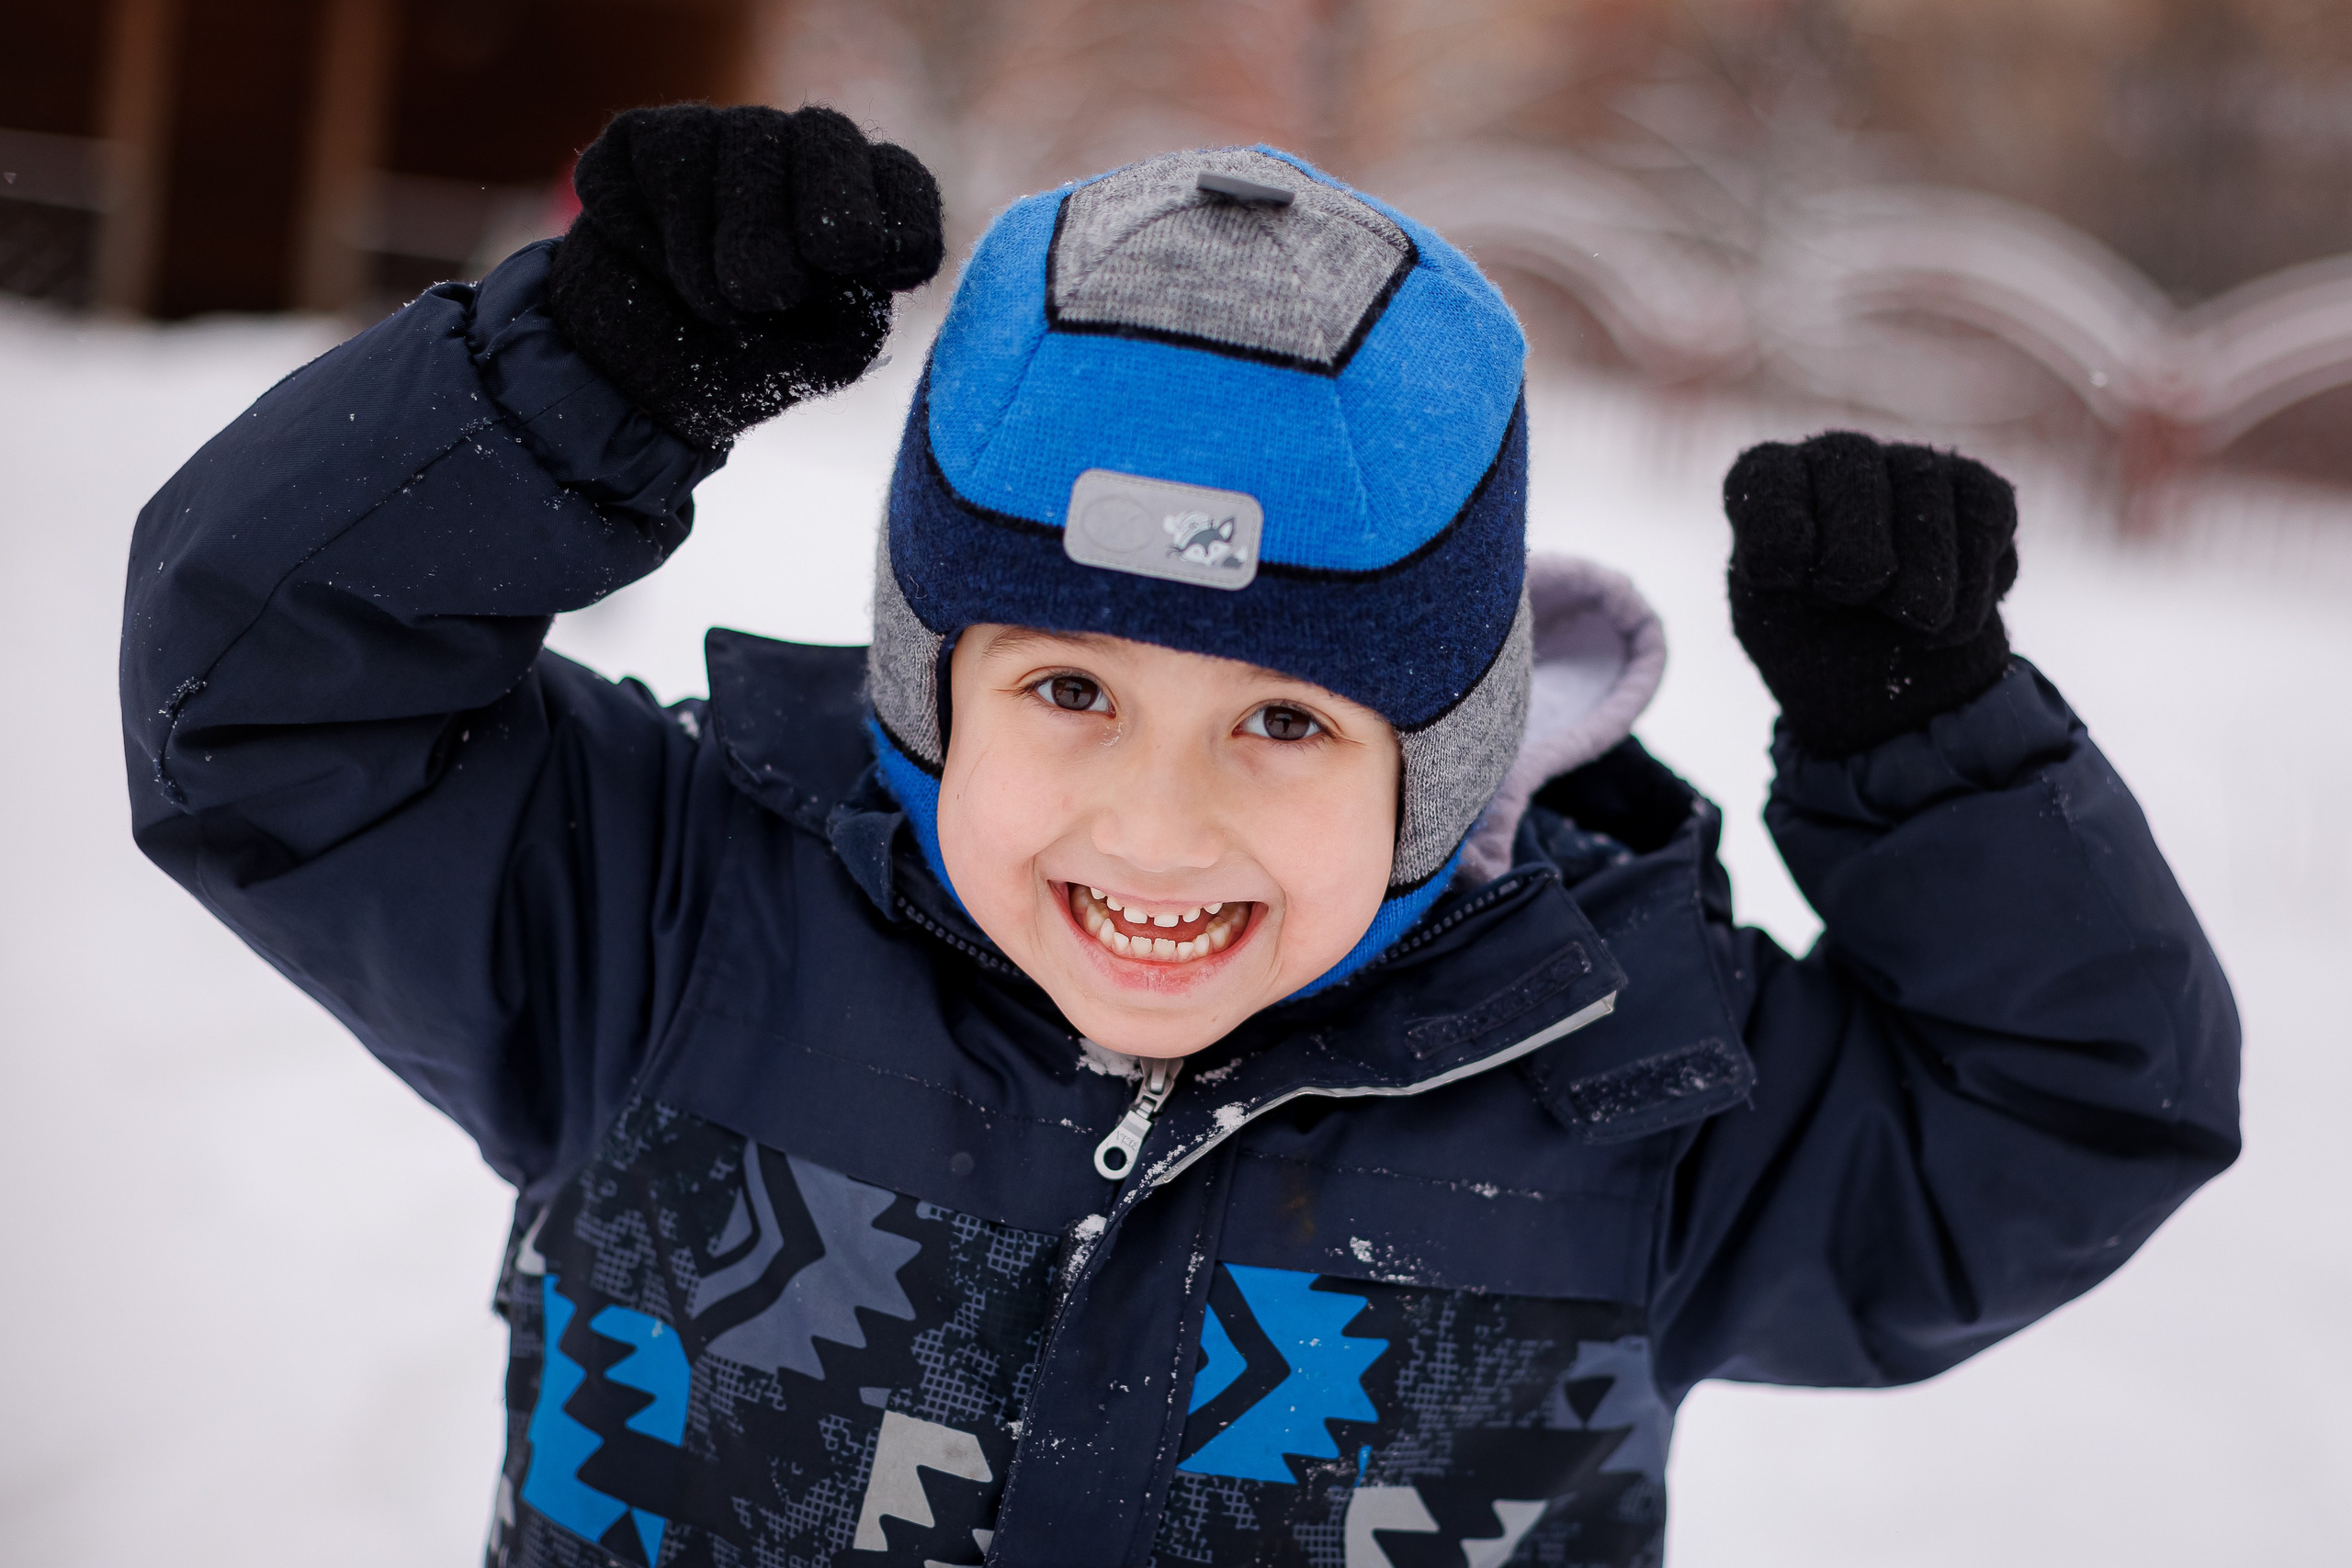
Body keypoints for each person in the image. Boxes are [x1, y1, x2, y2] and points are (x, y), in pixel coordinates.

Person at [119, 104, 2239, 1568]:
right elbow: (267, 695)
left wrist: (1933, 757)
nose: (1156, 814)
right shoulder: (672, 916)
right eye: (1063, 689)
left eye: (1287, 719)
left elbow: (2063, 1119)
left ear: (1445, 745)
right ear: (924, 677)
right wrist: (576, 375)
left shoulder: (1622, 1070)